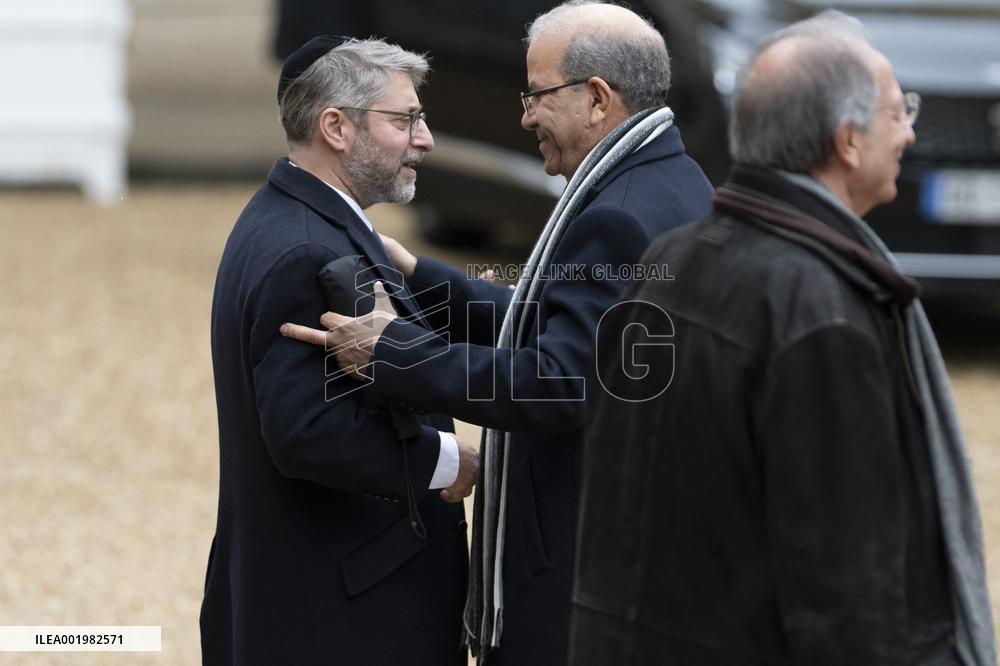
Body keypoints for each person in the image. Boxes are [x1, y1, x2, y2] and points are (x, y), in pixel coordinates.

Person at [279, 2, 714, 664]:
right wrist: (425, 277)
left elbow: (559, 379)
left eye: (537, 94)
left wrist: (395, 352)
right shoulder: (671, 180)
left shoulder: (620, 216)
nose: (524, 115)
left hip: (584, 573)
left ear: (597, 99)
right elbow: (561, 320)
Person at [572, 10, 995, 665]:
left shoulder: (671, 262)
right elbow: (846, 589)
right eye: (898, 111)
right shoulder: (823, 313)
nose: (909, 134)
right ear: (848, 140)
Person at [200, 36, 478, 665]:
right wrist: (444, 460)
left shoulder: (292, 217)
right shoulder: (308, 249)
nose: (425, 138)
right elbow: (306, 430)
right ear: (336, 127)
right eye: (405, 119)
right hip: (344, 617)